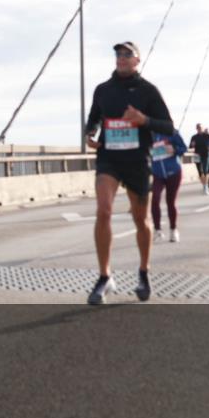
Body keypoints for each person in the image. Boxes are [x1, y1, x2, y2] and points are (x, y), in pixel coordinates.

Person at [83, 41, 174, 305]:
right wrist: (90, 133)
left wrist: (143, 120)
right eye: (118, 54)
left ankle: (144, 272)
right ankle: (104, 276)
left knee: (140, 219)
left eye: (127, 54)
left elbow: (168, 126)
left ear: (137, 60)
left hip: (137, 160)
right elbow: (94, 118)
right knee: (104, 210)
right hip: (109, 158)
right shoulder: (103, 90)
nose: (121, 58)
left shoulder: (148, 91)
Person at [150, 130, 186, 243]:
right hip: (157, 173)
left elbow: (183, 148)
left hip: (174, 172)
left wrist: (174, 149)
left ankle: (173, 230)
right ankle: (157, 230)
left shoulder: (172, 132)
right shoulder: (147, 134)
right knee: (155, 199)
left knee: (170, 202)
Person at [188, 123, 209, 195]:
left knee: (205, 171)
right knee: (200, 173)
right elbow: (190, 146)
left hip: (206, 155)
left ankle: (206, 187)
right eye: (198, 127)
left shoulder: (206, 135)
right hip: (197, 155)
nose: (199, 129)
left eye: (200, 127)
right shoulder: (194, 137)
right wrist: (192, 144)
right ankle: (204, 185)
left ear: (202, 128)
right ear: (196, 129)